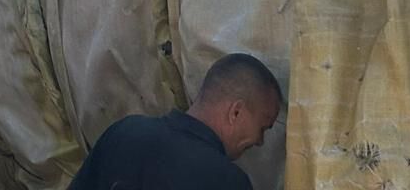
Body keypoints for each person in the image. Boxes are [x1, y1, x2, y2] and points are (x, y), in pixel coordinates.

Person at [66, 52, 282, 190]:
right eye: (262, 127)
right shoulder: (228, 181)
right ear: (236, 112)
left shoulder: (123, 133)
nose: (260, 141)